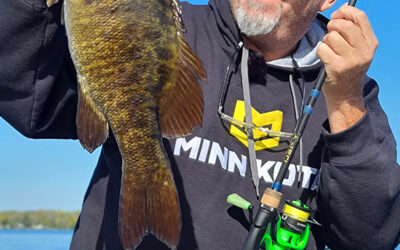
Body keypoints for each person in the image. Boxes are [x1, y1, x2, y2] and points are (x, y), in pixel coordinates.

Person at [0, 0, 399, 249]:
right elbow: (31, 98)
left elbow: (370, 237)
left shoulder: (347, 89)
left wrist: (343, 99)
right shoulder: (167, 27)